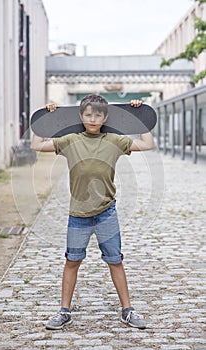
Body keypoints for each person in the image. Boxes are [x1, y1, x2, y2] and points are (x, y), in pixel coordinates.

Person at [30, 94, 154, 330]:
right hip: (78, 215)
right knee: (72, 262)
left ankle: (128, 310)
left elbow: (148, 144)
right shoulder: (69, 141)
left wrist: (139, 117)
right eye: (88, 114)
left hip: (107, 212)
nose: (93, 119)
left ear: (105, 117)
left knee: (115, 261)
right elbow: (35, 145)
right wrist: (44, 119)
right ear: (81, 116)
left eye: (98, 115)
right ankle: (64, 312)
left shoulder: (115, 141)